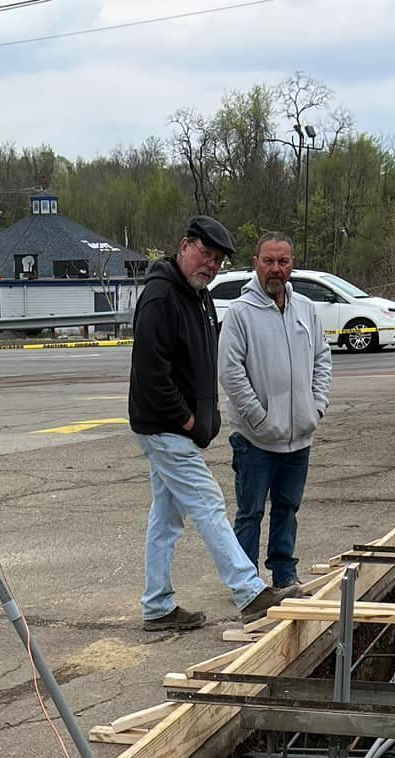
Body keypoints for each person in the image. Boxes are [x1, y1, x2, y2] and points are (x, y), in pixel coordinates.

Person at [128, 216, 278, 634]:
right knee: (208, 503)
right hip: (163, 427)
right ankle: (249, 592)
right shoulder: (161, 297)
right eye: (204, 255)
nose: (210, 265)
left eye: (217, 260)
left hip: (177, 428)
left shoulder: (199, 297)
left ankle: (157, 606)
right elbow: (150, 374)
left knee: (166, 517)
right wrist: (188, 418)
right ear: (184, 246)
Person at [218, 233, 331, 598]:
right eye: (269, 261)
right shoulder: (240, 313)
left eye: (283, 262)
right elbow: (231, 372)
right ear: (255, 263)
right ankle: (247, 586)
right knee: (250, 514)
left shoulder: (306, 310)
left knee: (287, 507)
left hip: (299, 435)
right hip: (255, 439)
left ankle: (285, 575)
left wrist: (316, 407)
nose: (276, 269)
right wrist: (259, 418)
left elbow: (322, 360)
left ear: (291, 265)